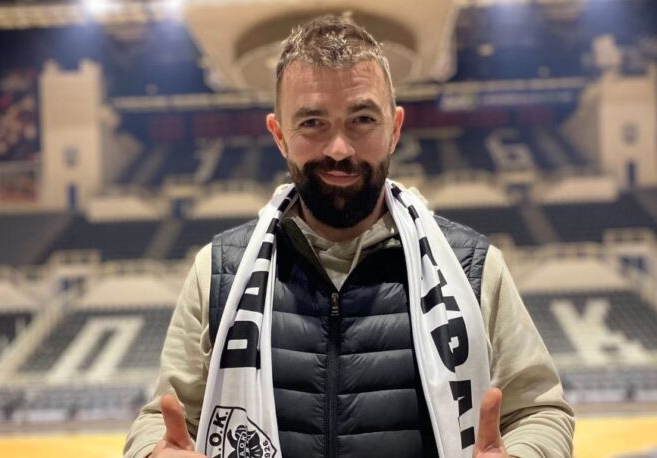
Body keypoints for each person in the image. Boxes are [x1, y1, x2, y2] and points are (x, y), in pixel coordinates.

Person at [123, 14, 574, 458]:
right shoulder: (218, 271)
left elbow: (539, 412)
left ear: (394, 129)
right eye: (312, 122)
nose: (339, 149)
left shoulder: (473, 267)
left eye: (361, 119)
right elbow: (161, 423)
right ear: (279, 136)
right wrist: (154, 454)